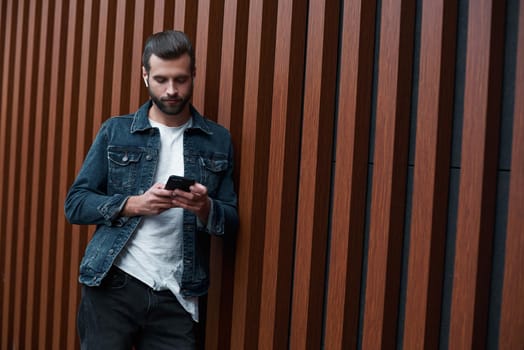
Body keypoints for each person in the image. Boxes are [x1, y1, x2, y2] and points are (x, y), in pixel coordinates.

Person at [65, 30, 238, 350]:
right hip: (113, 286)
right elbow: (75, 204)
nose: (171, 90)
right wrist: (133, 204)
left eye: (181, 79)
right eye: (161, 79)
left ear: (194, 75)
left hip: (178, 297)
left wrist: (203, 207)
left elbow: (230, 219)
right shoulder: (116, 131)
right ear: (144, 75)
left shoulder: (218, 140)